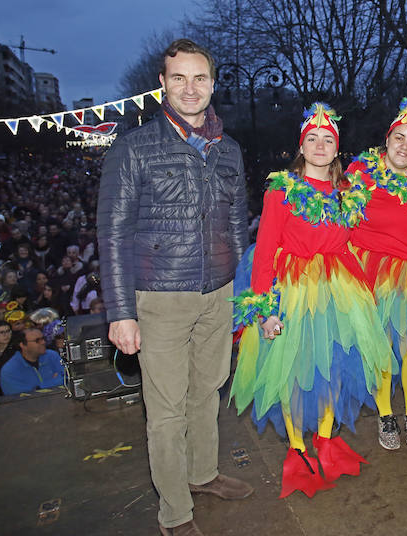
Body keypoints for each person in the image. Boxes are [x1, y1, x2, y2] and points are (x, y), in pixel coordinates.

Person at [98, 38, 252, 535]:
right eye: (179, 78)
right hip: (159, 298)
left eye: (200, 78)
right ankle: (175, 513)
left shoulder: (229, 151)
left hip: (218, 294)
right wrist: (120, 313)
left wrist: (239, 288)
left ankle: (202, 474)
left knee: (207, 391)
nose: (190, 88)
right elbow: (113, 233)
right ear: (162, 84)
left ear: (212, 83)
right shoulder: (134, 147)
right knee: (165, 411)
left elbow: (236, 223)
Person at [231, 102, 394, 497]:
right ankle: (298, 449)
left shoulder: (347, 193)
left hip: (339, 289)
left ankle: (325, 439)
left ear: (337, 150)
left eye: (327, 140)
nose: (320, 146)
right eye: (312, 139)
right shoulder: (281, 191)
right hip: (294, 288)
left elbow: (359, 239)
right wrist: (265, 311)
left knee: (333, 367)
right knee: (293, 372)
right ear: (301, 147)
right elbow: (266, 249)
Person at [345, 96, 407, 450]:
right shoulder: (360, 174)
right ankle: (386, 413)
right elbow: (338, 218)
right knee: (382, 345)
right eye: (399, 137)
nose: (405, 146)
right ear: (386, 139)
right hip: (374, 271)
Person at [0, 327, 64, 395]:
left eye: (43, 338)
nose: (43, 342)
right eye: (37, 340)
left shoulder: (52, 355)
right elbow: (22, 396)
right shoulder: (9, 370)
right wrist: (53, 382)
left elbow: (67, 378)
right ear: (22, 345)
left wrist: (38, 388)